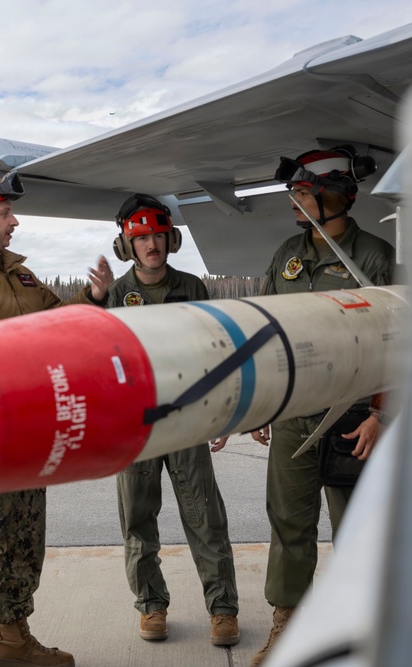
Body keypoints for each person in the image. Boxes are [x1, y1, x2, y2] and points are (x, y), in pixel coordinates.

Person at [0, 172, 115, 667]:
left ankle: (13, 639)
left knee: (23, 542)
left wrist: (93, 299)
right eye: (5, 213)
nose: (15, 222)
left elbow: (56, 322)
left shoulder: (20, 275)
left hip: (28, 440)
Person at [235, 146, 395, 666]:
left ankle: (362, 634)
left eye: (303, 192)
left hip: (354, 418)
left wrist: (381, 415)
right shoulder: (289, 253)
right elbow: (264, 328)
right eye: (295, 193)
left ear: (334, 195)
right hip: (293, 415)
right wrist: (262, 404)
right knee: (288, 524)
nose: (294, 201)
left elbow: (399, 341)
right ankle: (288, 627)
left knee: (357, 530)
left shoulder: (375, 256)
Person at [107, 194, 240, 647]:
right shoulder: (115, 295)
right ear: (127, 244)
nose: (152, 245)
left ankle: (222, 610)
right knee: (138, 522)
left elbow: (213, 353)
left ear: (171, 239)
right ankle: (151, 606)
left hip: (187, 422)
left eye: (158, 236)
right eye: (142, 238)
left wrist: (221, 412)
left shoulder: (193, 288)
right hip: (138, 428)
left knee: (206, 518)